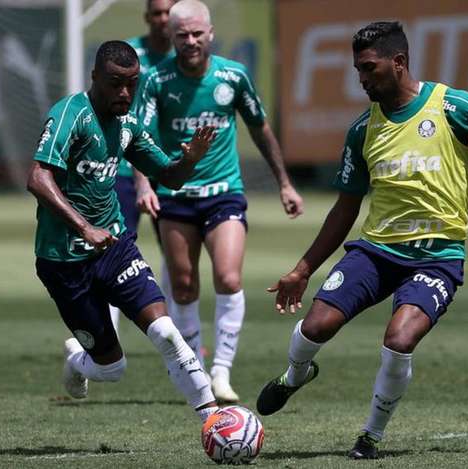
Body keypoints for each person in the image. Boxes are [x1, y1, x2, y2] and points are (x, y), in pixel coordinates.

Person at [255, 21, 468, 459]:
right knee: (316, 327)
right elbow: (345, 208)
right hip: (376, 251)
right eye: (357, 69)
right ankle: (296, 375)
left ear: (398, 63)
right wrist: (302, 269)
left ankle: (369, 438)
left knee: (399, 339)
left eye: (369, 68)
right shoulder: (362, 131)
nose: (362, 78)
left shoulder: (451, 105)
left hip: (437, 258)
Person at [28, 40, 219, 424]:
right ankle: (79, 360)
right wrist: (84, 227)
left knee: (166, 331)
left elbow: (169, 175)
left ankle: (214, 420)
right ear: (95, 76)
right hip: (64, 262)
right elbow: (38, 177)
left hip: (114, 248)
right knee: (112, 369)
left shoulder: (129, 125)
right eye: (116, 83)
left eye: (132, 84)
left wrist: (190, 160)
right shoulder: (71, 114)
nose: (125, 93)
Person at [137, 0, 304, 403]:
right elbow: (138, 139)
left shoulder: (233, 75)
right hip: (175, 195)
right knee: (182, 284)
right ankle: (193, 368)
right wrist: (144, 185)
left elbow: (260, 127)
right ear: (171, 37)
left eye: (197, 34)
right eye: (182, 36)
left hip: (223, 193)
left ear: (210, 33)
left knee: (228, 277)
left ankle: (221, 371)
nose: (191, 41)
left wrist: (285, 182)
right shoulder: (156, 80)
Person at [109, 0, 178, 333]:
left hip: (167, 171)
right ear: (147, 17)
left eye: (169, 12)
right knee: (110, 251)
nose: (163, 19)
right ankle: (105, 335)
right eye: (157, 13)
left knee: (176, 255)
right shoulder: (128, 56)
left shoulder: (186, 58)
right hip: (123, 170)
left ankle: (179, 330)